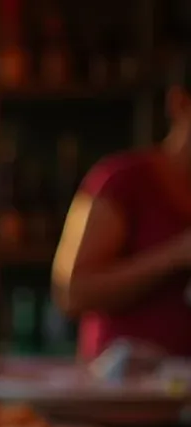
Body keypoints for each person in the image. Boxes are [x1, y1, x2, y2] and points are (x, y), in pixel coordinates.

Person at [52, 68, 191, 359]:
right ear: (179, 103)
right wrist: (176, 255)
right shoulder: (118, 180)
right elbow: (70, 292)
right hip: (122, 393)